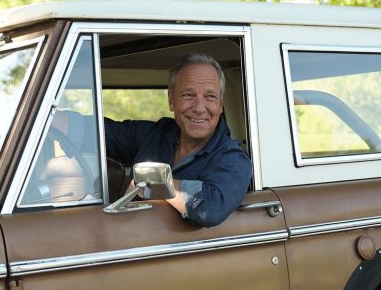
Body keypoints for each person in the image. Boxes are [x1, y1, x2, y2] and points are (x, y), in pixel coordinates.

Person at [61, 52, 252, 227]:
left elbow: (209, 208)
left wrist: (149, 181)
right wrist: (54, 120)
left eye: (210, 97)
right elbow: (98, 134)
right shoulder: (157, 133)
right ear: (171, 100)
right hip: (126, 240)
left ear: (220, 104)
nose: (199, 108)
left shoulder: (234, 159)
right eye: (188, 95)